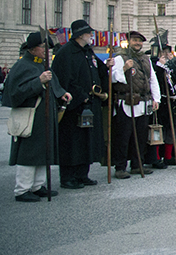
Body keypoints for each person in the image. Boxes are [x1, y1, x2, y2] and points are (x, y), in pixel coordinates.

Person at [5, 31, 69, 202]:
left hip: (44, 116)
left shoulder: (41, 64)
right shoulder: (22, 66)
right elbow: (15, 93)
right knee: (29, 153)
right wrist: (38, 81)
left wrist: (61, 93)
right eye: (43, 47)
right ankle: (22, 189)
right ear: (32, 49)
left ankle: (37, 185)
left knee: (43, 150)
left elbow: (53, 84)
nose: (46, 51)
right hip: (30, 115)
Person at [50, 19, 108, 189]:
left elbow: (98, 71)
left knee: (87, 140)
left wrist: (107, 67)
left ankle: (83, 174)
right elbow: (65, 79)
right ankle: (67, 177)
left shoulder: (88, 51)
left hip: (90, 103)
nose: (91, 36)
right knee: (72, 142)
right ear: (81, 35)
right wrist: (81, 96)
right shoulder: (66, 53)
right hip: (74, 105)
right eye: (89, 33)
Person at [109, 31, 163, 179]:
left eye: (139, 41)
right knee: (123, 136)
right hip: (126, 101)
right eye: (134, 40)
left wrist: (156, 99)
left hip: (143, 102)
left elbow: (153, 79)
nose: (137, 43)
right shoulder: (120, 58)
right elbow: (112, 78)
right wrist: (125, 68)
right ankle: (120, 167)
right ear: (129, 42)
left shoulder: (145, 59)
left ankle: (137, 164)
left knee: (140, 137)